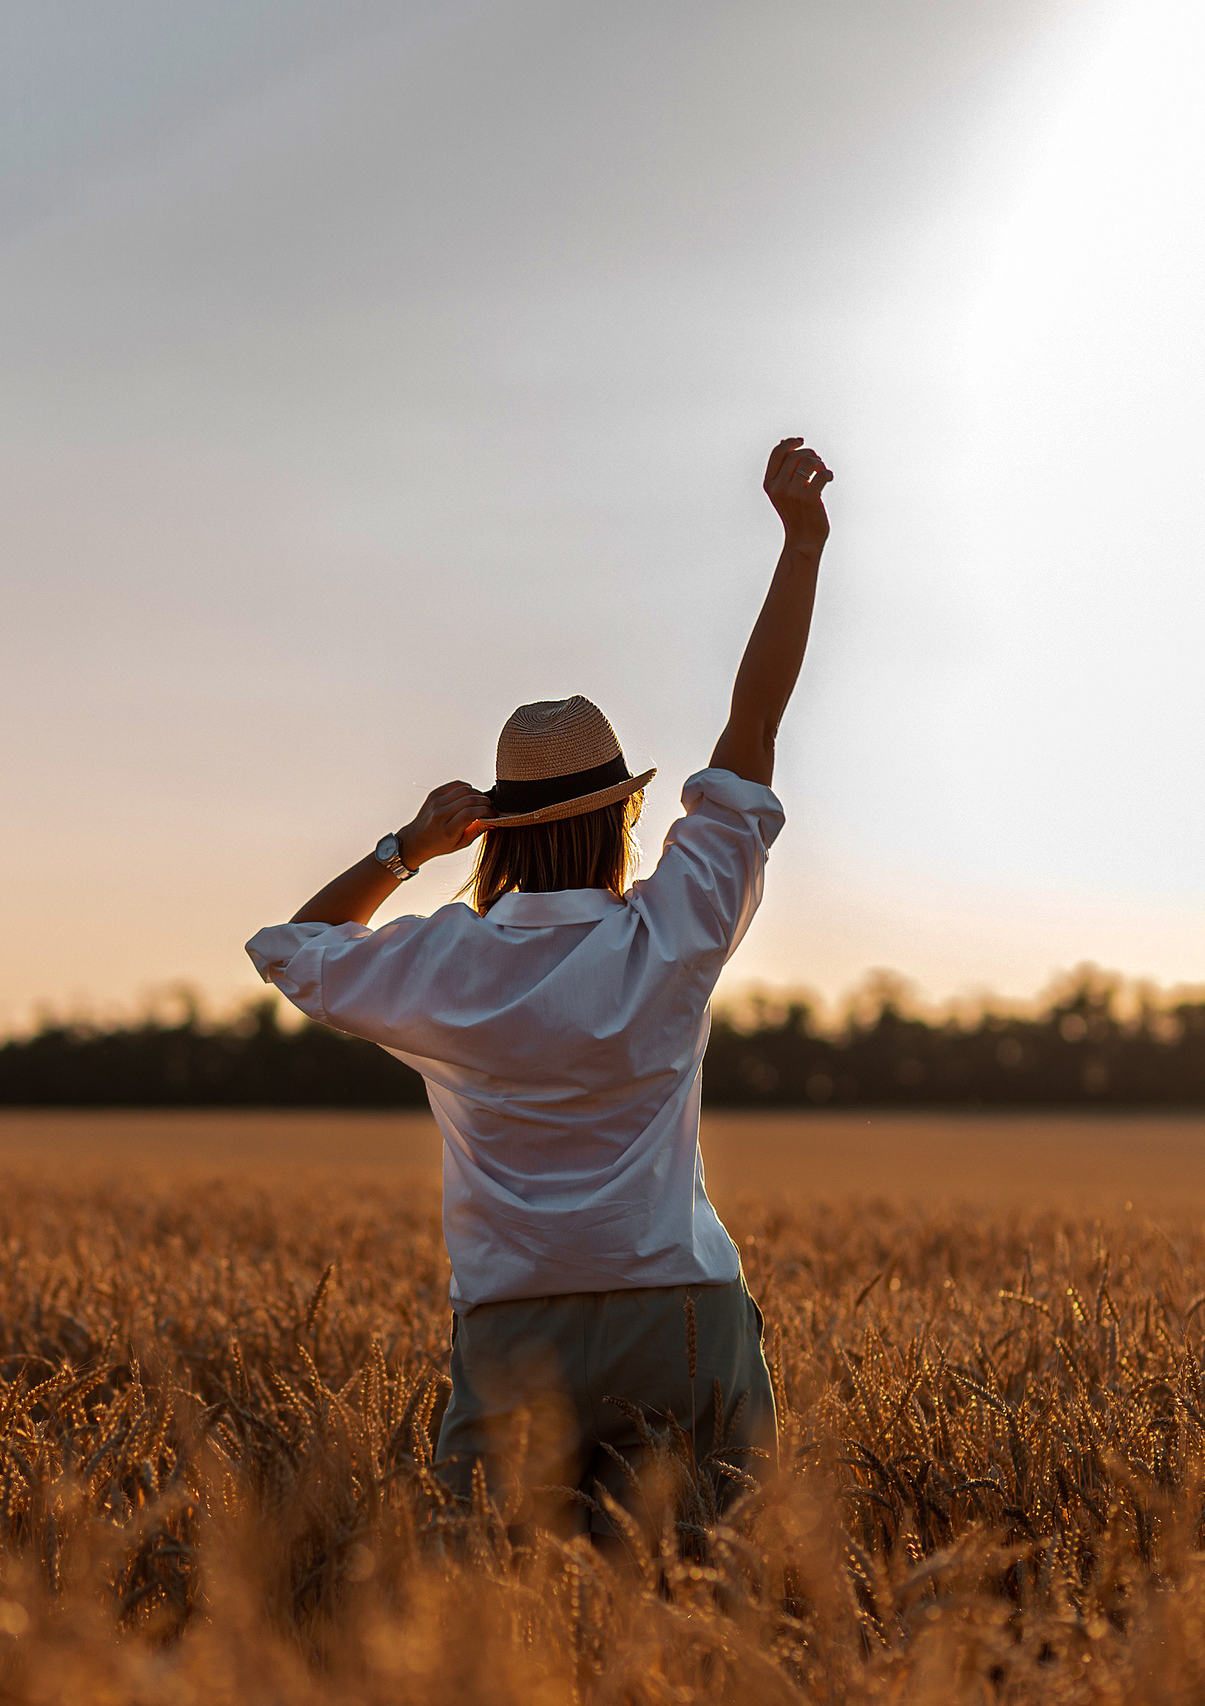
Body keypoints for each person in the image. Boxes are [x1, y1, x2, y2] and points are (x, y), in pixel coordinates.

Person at [243, 437, 833, 1538]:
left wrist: (406, 845)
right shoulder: (675, 926)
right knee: (714, 1602)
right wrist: (799, 545)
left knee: (501, 1617)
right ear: (622, 816)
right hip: (679, 1310)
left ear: (499, 834)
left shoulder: (440, 960)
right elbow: (752, 734)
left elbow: (287, 945)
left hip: (515, 1327)